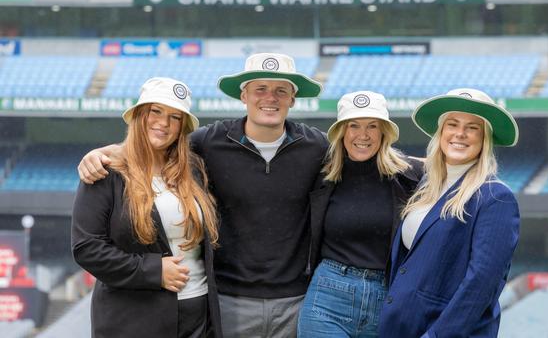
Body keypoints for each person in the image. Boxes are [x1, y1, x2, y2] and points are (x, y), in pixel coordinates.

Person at [76, 53, 329, 338]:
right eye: (260, 88)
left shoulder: (317, 146)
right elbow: (155, 142)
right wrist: (103, 153)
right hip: (226, 302)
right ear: (243, 95)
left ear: (292, 99)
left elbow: (362, 153)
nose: (270, 97)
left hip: (288, 302)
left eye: (281, 90)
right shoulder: (209, 142)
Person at [71, 77, 222, 338]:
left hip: (198, 315)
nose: (163, 123)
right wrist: (153, 271)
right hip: (134, 319)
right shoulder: (105, 172)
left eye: (175, 117)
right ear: (139, 115)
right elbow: (87, 249)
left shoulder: (194, 169)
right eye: (156, 111)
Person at [378, 88, 521, 338]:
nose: (460, 134)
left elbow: (481, 285)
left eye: (472, 127)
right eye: (452, 124)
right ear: (441, 133)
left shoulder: (495, 197)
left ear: (484, 139)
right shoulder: (425, 187)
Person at [297, 91, 422, 337]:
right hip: (328, 295)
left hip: (386, 297)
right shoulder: (320, 174)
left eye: (372, 126)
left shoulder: (411, 176)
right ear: (342, 131)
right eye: (353, 125)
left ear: (383, 132)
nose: (362, 135)